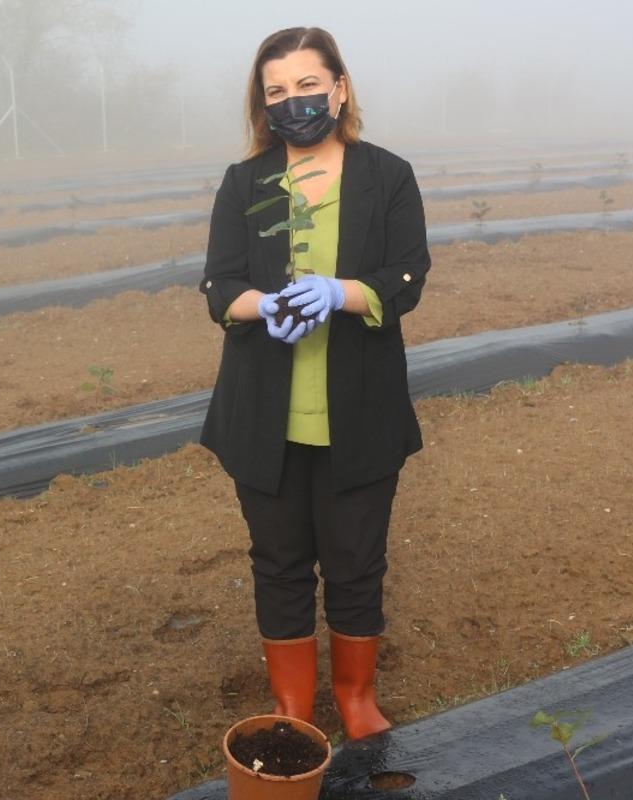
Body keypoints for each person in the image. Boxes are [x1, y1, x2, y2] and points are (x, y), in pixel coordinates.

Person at [197, 26, 430, 741]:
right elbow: (220, 285)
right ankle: (293, 703)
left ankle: (356, 698)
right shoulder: (248, 183)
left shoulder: (386, 176)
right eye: (275, 91)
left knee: (356, 562)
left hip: (359, 410)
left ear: (339, 88)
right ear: (262, 104)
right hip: (264, 414)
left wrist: (340, 293)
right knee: (279, 561)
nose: (291, 102)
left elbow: (406, 277)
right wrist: (261, 306)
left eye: (306, 85)